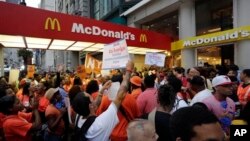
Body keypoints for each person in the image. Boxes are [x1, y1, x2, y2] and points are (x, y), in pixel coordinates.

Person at [72, 61, 135, 141]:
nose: (93, 98)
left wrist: (101, 91)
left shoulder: (79, 115)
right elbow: (120, 95)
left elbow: (94, 105)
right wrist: (128, 71)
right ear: (90, 106)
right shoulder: (99, 124)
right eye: (91, 98)